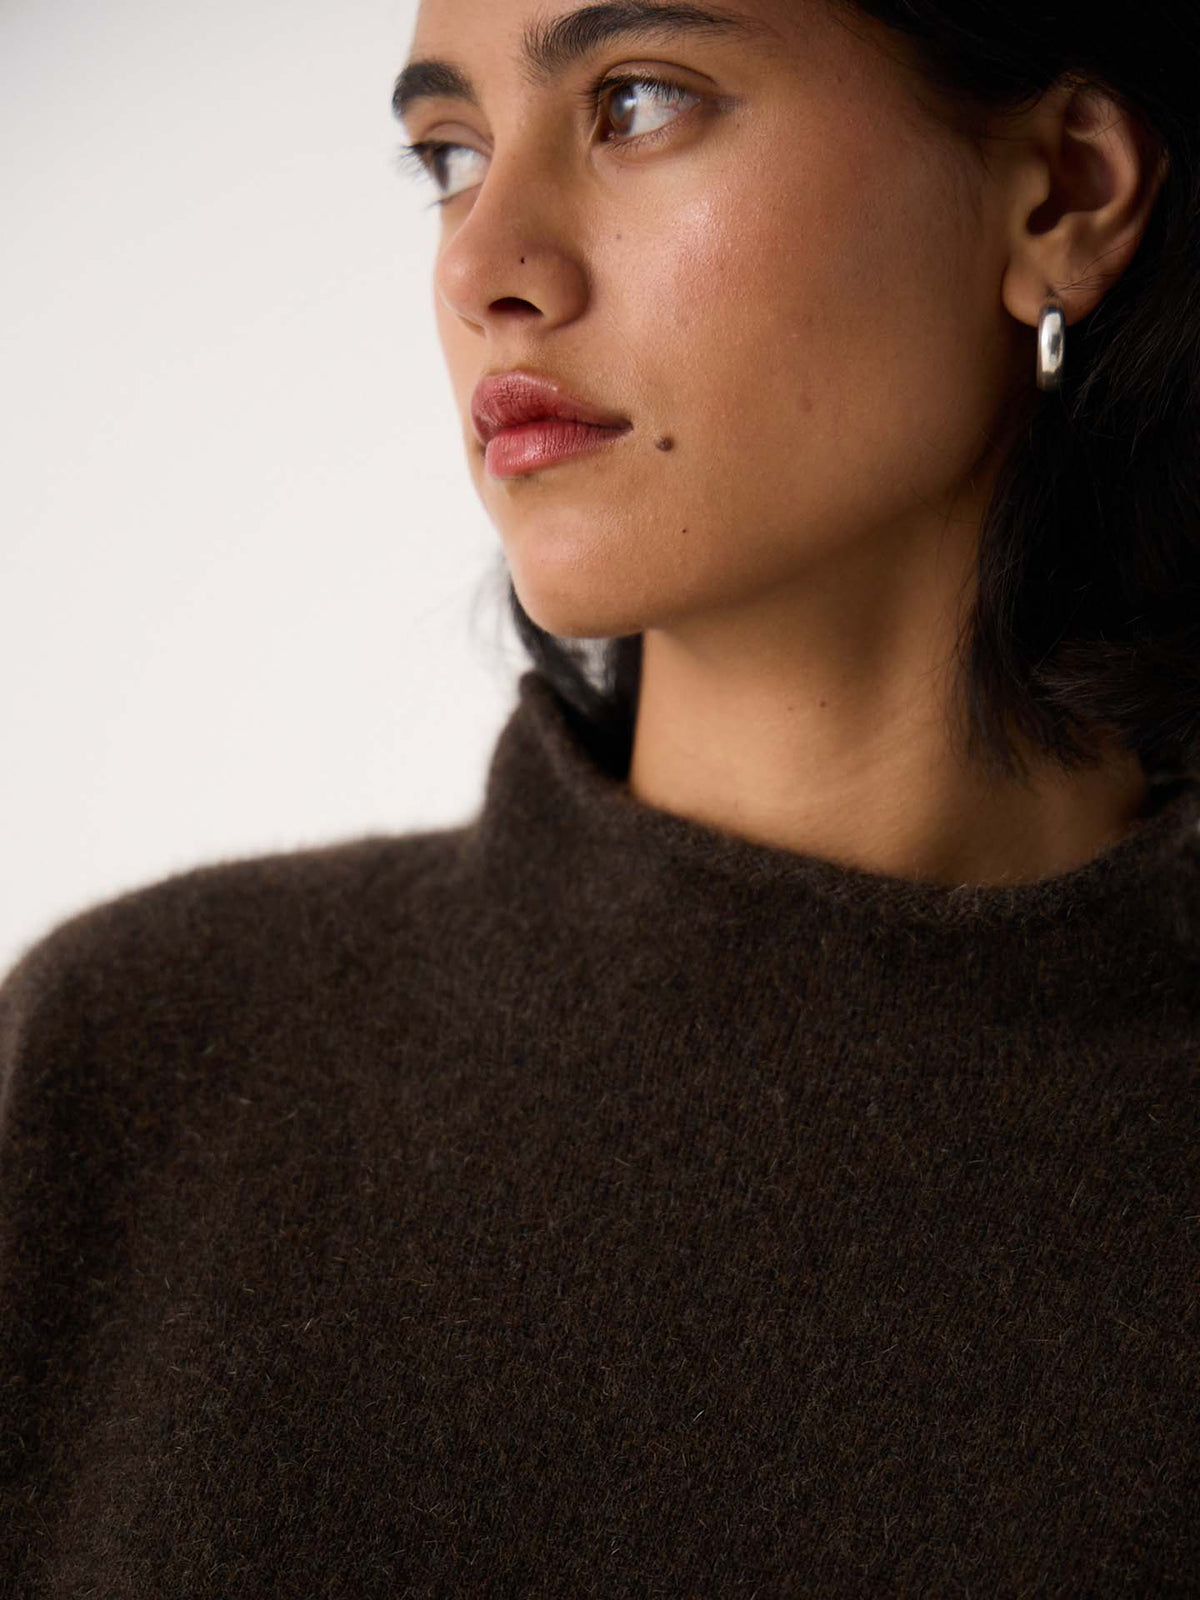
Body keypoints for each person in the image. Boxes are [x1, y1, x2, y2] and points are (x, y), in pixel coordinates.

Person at [3, 1, 1199, 1592]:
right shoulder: (135, 1073)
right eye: (450, 152)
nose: (483, 262)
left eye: (638, 102)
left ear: (1060, 191)